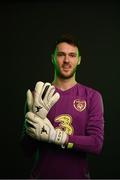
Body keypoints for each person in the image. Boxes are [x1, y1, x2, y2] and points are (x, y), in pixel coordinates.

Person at [21, 34, 104, 179]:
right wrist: (33, 125)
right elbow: (26, 150)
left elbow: (96, 144)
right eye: (61, 55)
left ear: (79, 60)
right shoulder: (38, 95)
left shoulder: (92, 96)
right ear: (52, 58)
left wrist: (59, 137)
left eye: (72, 55)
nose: (66, 60)